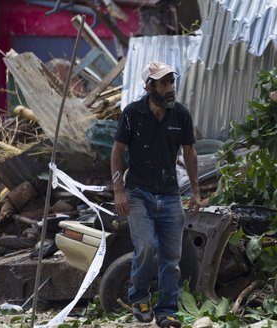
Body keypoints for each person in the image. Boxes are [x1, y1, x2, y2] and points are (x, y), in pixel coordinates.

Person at [110, 61, 201, 328]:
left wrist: (195, 192)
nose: (170, 89)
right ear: (149, 87)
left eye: (172, 82)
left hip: (170, 196)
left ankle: (167, 311)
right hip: (138, 194)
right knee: (146, 248)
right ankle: (139, 297)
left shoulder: (180, 115)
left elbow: (190, 152)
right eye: (164, 83)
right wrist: (118, 190)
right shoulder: (132, 114)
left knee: (171, 258)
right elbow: (116, 152)